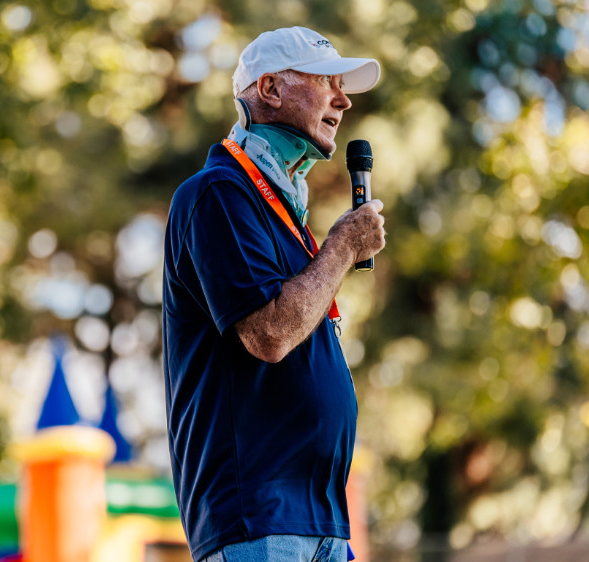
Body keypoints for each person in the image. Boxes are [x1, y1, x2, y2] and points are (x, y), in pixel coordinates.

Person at [161, 27, 387, 562]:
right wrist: (341, 247)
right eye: (327, 81)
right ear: (269, 89)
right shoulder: (219, 192)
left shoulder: (281, 213)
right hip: (258, 524)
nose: (344, 99)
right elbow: (269, 333)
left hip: (320, 523)